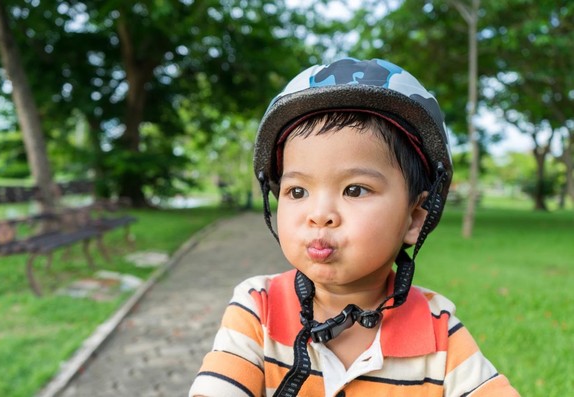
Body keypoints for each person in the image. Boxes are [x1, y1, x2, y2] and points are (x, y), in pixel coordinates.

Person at [189, 58, 520, 397]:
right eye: (298, 191)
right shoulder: (259, 309)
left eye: (355, 190)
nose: (319, 215)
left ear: (414, 219)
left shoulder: (439, 333)